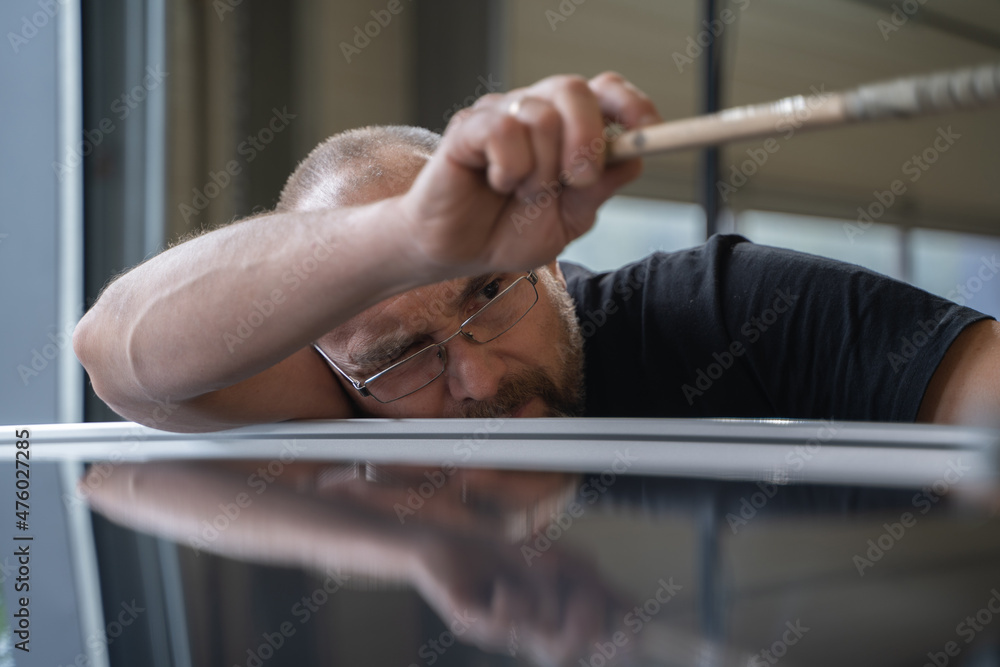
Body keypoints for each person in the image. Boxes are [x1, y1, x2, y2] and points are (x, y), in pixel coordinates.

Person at [72, 72, 1000, 433]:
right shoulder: (352, 399)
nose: (473, 378)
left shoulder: (729, 311)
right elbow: (118, 357)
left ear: (552, 259)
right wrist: (404, 242)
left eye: (489, 294)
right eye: (401, 358)